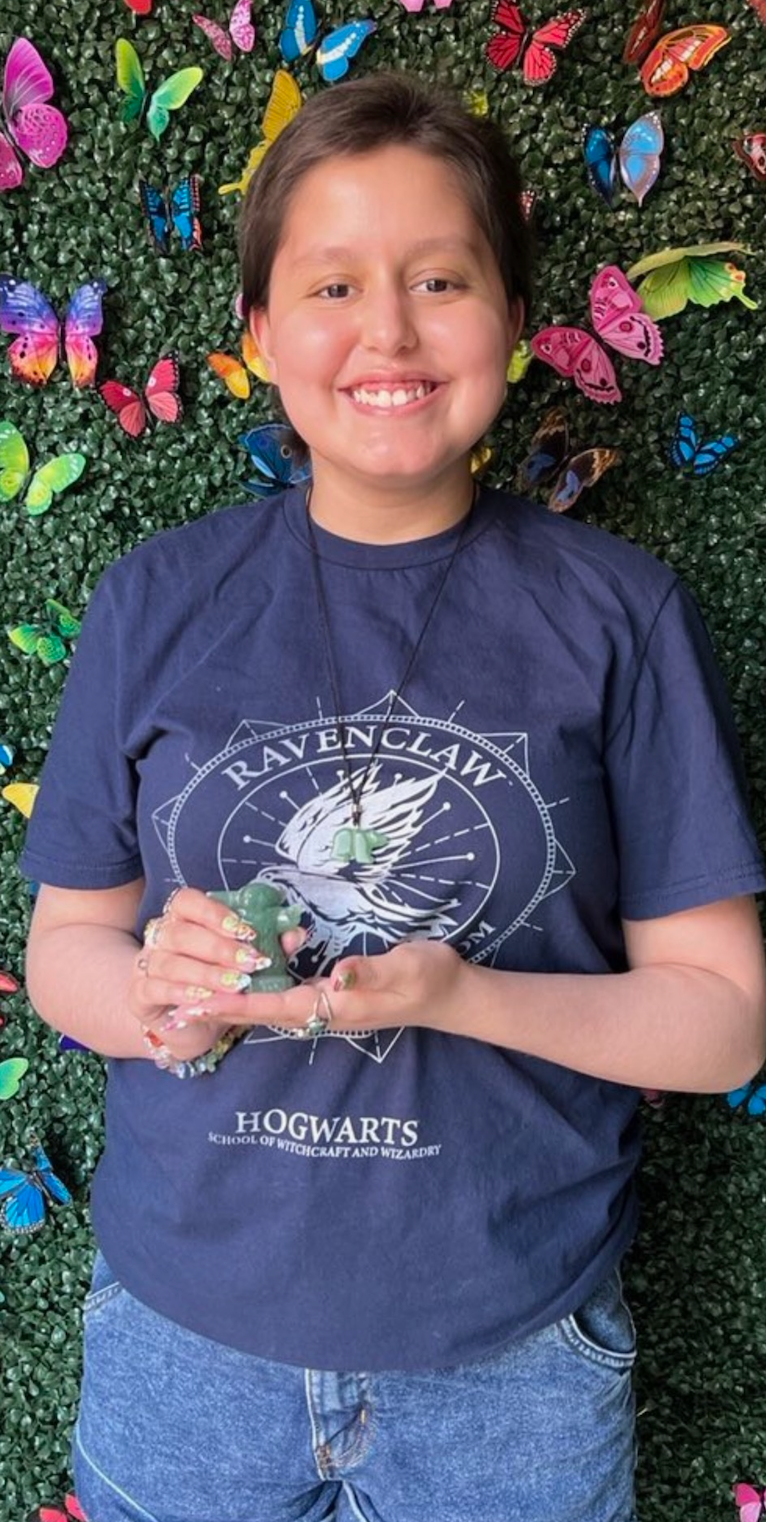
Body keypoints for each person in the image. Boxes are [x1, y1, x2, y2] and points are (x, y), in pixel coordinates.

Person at [21, 71, 766, 1522]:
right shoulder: (155, 600)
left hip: (511, 1365)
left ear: (511, 318)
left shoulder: (618, 614)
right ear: (259, 331)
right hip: (185, 1347)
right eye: (333, 285)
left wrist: (458, 995)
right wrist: (162, 997)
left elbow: (722, 1017)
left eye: (440, 279)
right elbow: (68, 951)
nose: (389, 333)